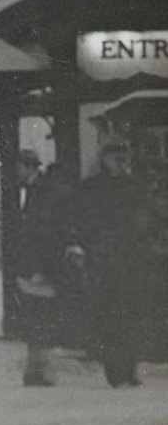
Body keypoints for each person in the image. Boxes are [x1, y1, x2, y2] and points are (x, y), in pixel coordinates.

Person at [75, 136, 153, 388]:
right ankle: (116, 369)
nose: (120, 161)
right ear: (105, 158)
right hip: (108, 261)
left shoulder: (127, 185)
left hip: (125, 259)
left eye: (123, 156)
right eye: (115, 156)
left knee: (128, 316)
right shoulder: (98, 187)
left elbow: (145, 219)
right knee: (113, 316)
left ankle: (127, 368)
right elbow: (84, 221)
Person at [15, 150, 79, 386]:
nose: (15, 173)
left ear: (28, 167)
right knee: (38, 316)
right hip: (40, 263)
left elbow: (42, 232)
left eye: (18, 168)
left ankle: (36, 369)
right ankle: (36, 369)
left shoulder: (42, 192)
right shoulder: (40, 190)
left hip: (41, 264)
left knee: (38, 316)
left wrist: (37, 266)